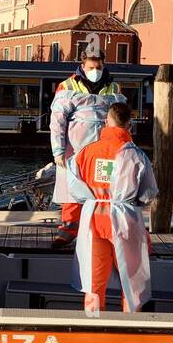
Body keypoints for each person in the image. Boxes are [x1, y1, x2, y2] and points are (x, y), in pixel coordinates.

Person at [65, 102, 159, 314]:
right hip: (124, 220)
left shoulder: (85, 153)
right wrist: (130, 201)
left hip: (94, 220)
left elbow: (74, 185)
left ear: (106, 122)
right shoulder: (136, 155)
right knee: (132, 281)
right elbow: (148, 193)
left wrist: (92, 198)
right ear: (129, 125)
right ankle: (131, 323)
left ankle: (93, 321)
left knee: (94, 280)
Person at [49, 48, 124, 245]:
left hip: (104, 150)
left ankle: (101, 230)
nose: (95, 71)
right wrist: (58, 150)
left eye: (99, 67)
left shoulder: (114, 87)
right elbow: (57, 120)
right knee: (71, 190)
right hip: (75, 150)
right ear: (82, 65)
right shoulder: (67, 85)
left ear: (104, 65)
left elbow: (121, 118)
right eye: (91, 67)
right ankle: (68, 229)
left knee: (103, 190)